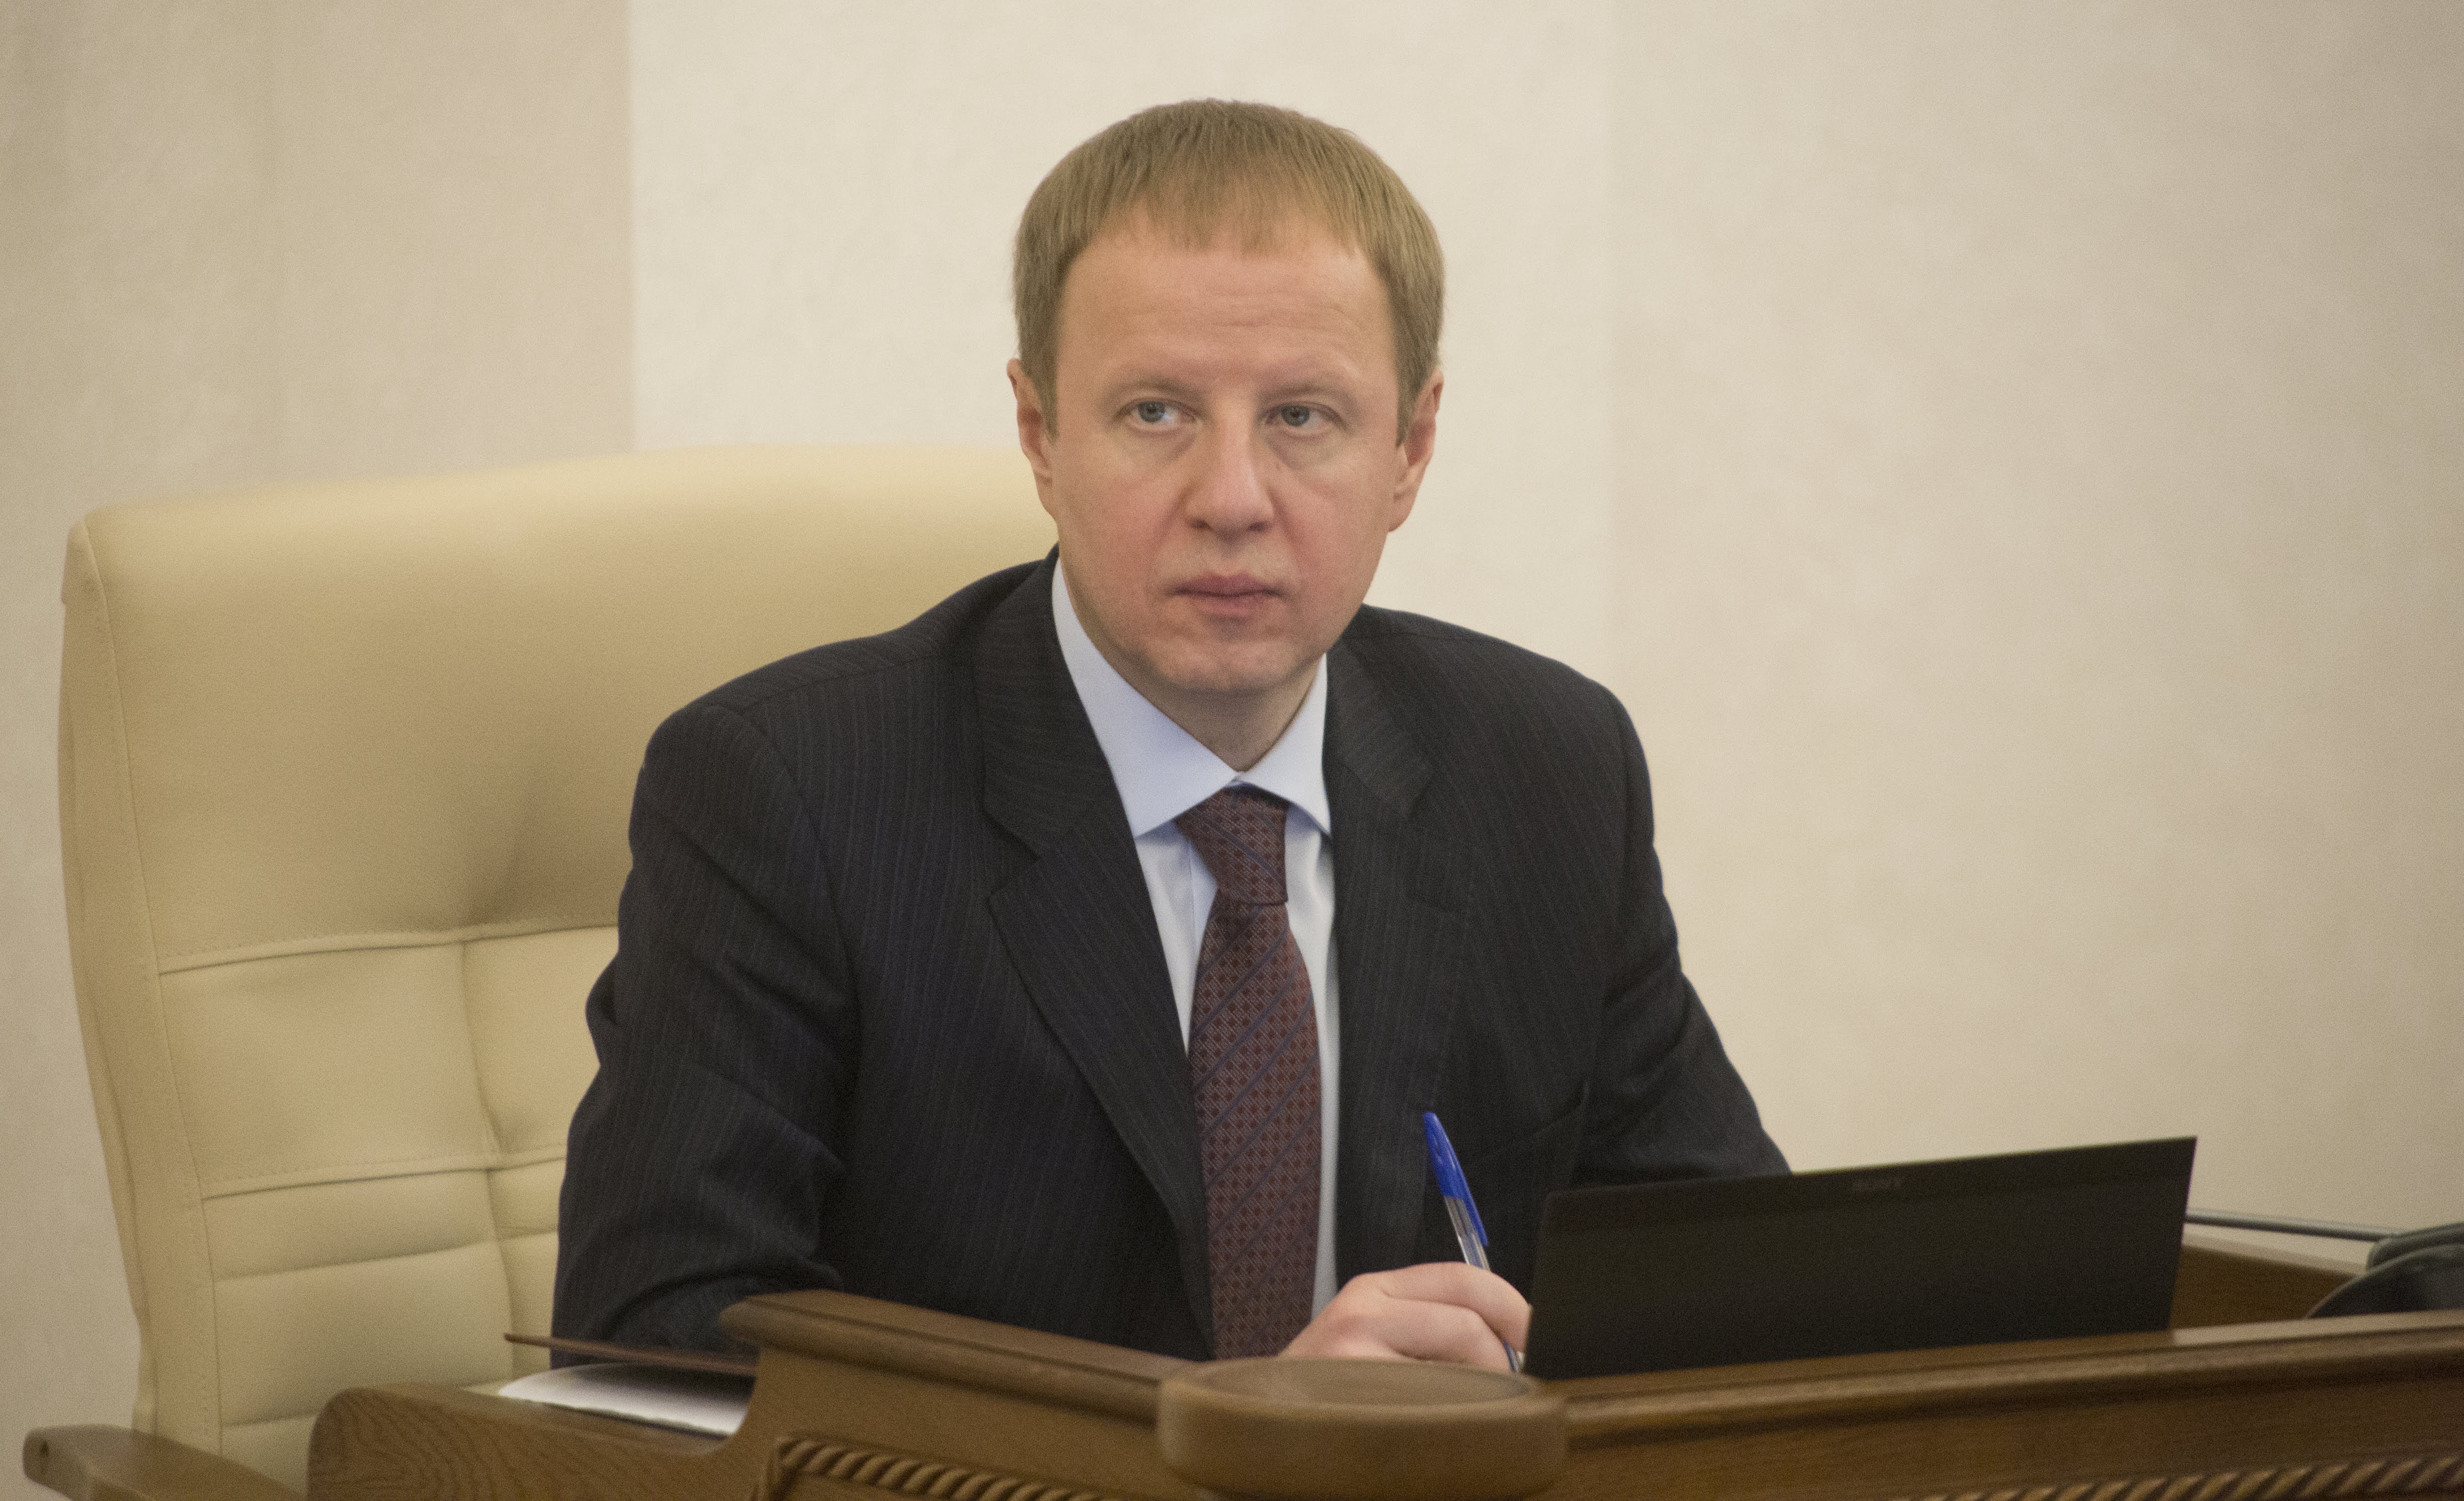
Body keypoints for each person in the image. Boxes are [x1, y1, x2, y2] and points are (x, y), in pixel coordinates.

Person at [553, 100, 1782, 1371]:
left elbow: (1732, 1290)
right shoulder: (789, 793)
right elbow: (653, 1335)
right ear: (1040, 434)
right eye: (1155, 413)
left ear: (1410, 450)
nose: (1232, 498)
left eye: (1302, 417)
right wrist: (1219, 1438)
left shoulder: (1548, 769)